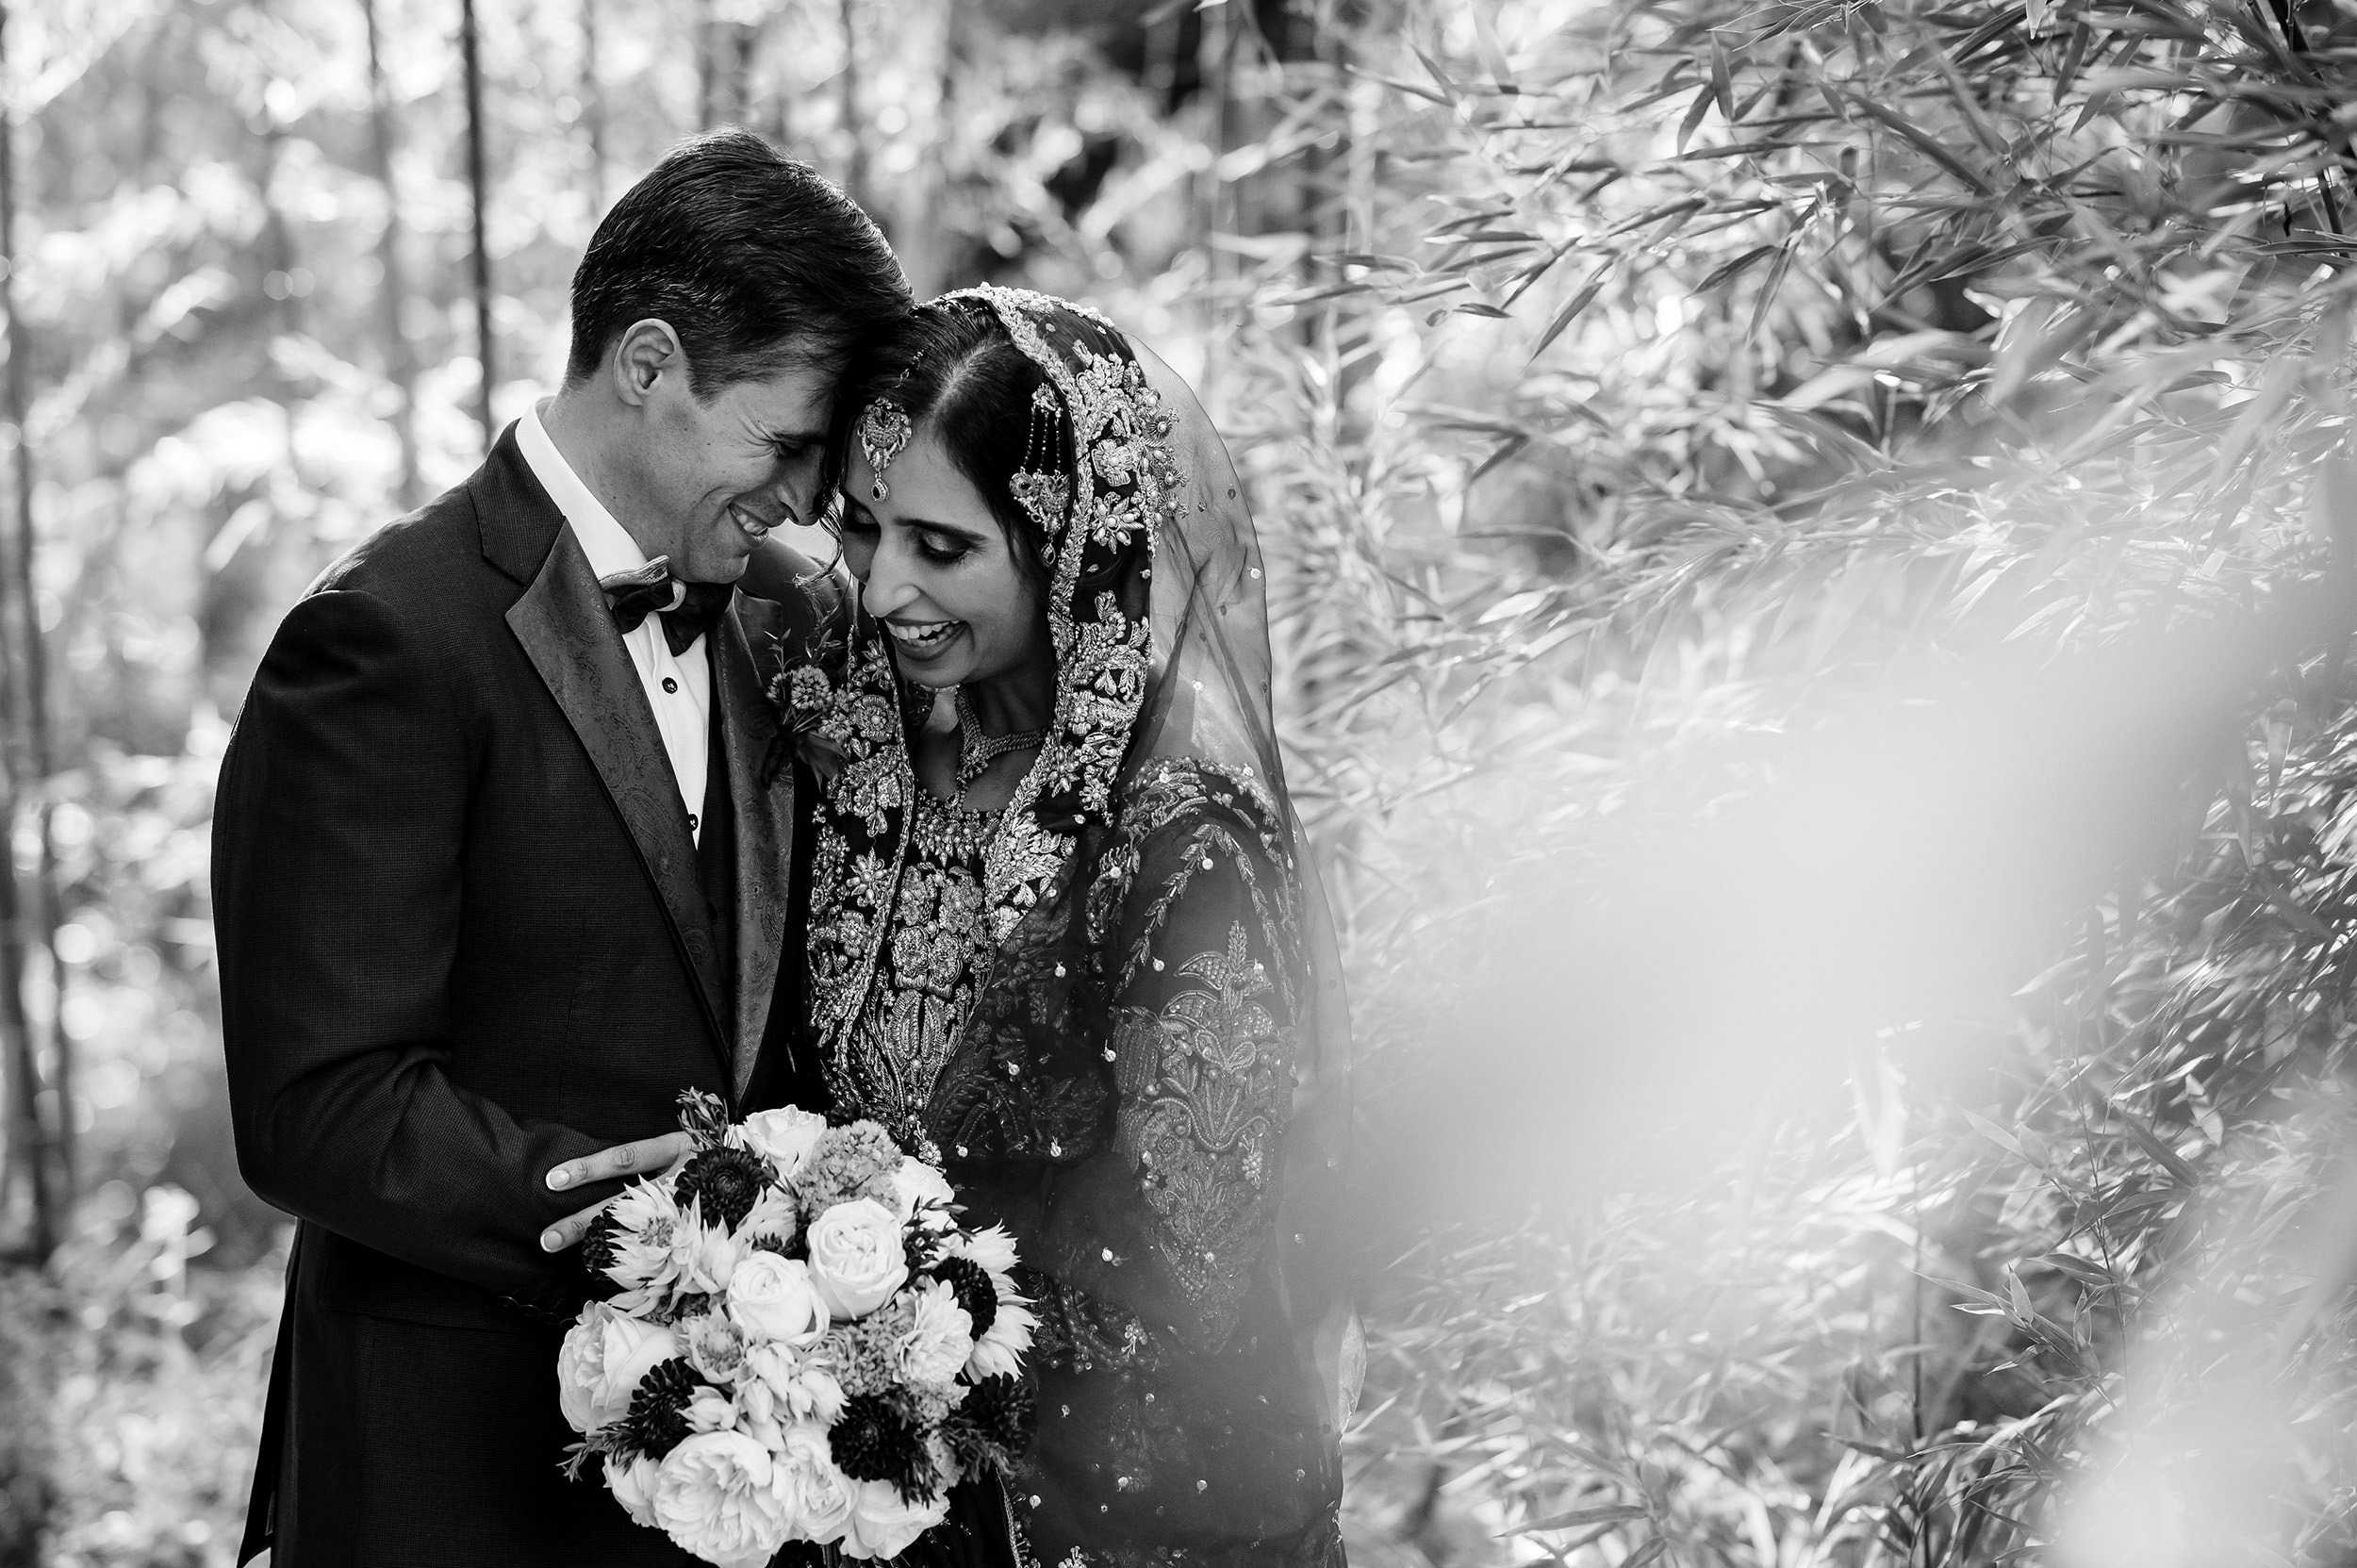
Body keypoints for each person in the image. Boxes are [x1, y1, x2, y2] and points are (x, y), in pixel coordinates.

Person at [212, 129, 907, 1566]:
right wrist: (672, 1240)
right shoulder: (386, 638)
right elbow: (320, 1104)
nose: (802, 502)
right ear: (647, 365)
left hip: (739, 1473)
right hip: (453, 1455)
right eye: (780, 446)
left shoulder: (788, 611)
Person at [775, 286, 1356, 1568]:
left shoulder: (1182, 850)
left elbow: (1203, 1258)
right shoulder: (859, 763)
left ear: (1070, 540)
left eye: (940, 547)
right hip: (869, 1499)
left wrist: (896, 1318)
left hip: (1139, 1514)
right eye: (865, 532)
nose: (880, 593)